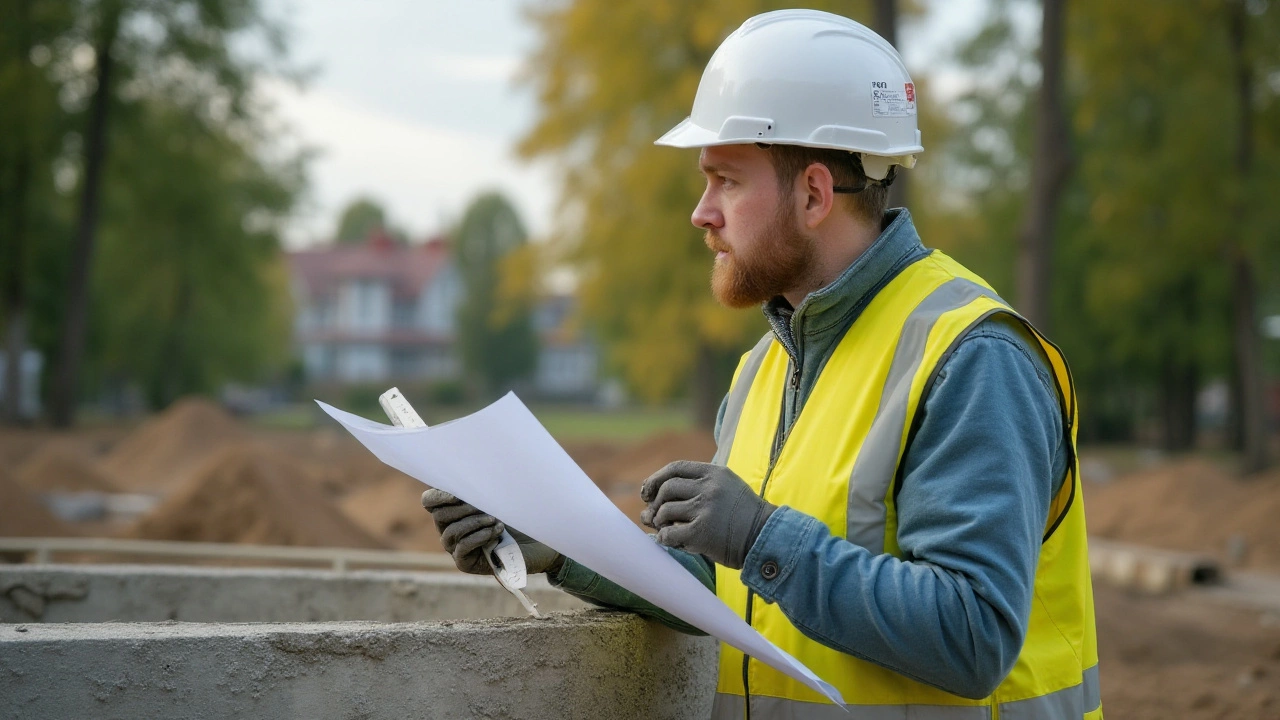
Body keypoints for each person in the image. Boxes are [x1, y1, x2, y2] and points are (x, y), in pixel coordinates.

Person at [422, 9, 1101, 719]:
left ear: (813, 193)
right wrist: (558, 544)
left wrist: (760, 536)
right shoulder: (764, 368)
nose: (701, 212)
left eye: (727, 181)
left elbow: (972, 635)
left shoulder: (973, 358)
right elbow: (736, 590)